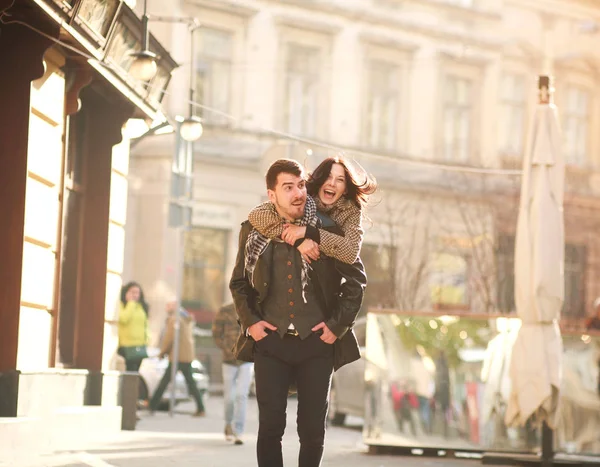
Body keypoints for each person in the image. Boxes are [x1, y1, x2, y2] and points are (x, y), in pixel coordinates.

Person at [230, 158, 367, 467]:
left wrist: (336, 326)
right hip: (271, 341)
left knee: (312, 430)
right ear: (272, 194)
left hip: (317, 344)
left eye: (302, 185)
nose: (297, 193)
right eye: (288, 187)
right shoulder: (255, 229)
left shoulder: (329, 229)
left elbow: (356, 282)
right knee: (269, 429)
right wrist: (251, 323)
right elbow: (239, 283)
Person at [248, 155, 377, 265]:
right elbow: (256, 214)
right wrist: (296, 239)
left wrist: (308, 232)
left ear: (346, 189)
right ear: (320, 180)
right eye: (328, 177)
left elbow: (351, 252)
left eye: (340, 180)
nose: (332, 183)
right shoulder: (303, 198)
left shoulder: (351, 211)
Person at [148, 300, 205, 416]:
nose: (166, 307)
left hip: (178, 356)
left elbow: (169, 338)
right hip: (185, 355)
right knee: (190, 383)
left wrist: (162, 353)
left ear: (174, 307)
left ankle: (152, 405)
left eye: (169, 305)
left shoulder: (175, 319)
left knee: (165, 382)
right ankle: (201, 408)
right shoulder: (185, 317)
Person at [212, 302, 254, 445]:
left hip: (247, 359)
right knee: (229, 397)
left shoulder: (253, 308)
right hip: (229, 360)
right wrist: (227, 349)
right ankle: (228, 425)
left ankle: (239, 431)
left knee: (241, 394)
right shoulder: (224, 310)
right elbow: (217, 334)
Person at [118, 281, 150, 373]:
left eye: (137, 293)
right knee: (129, 371)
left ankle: (132, 387)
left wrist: (147, 338)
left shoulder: (141, 307)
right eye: (132, 292)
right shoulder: (122, 305)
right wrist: (131, 303)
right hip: (126, 346)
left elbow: (145, 324)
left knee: (136, 372)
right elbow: (123, 319)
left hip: (139, 345)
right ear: (126, 292)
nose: (135, 295)